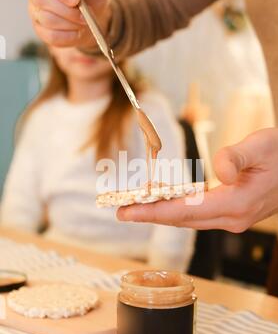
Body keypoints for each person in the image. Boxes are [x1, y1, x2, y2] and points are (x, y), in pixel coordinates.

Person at [24, 0, 278, 295]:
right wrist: (99, 16)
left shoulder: (152, 107)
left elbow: (172, 235)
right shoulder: (42, 117)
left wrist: (158, 283)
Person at [0, 46, 195, 271]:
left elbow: (178, 208)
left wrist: (163, 275)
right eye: (72, 32)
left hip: (132, 267)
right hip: (56, 261)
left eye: (96, 31)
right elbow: (19, 209)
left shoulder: (149, 110)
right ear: (52, 44)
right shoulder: (41, 118)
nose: (84, 45)